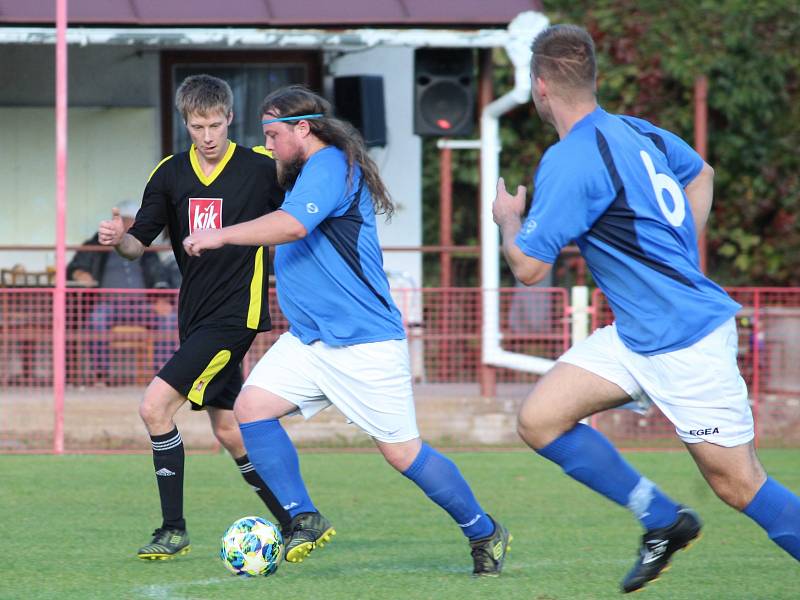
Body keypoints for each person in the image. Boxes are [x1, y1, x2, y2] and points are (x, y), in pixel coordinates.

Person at [492, 24, 800, 593]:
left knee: (739, 485)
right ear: (591, 79)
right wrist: (680, 254)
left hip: (684, 340)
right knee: (540, 420)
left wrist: (509, 218)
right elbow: (701, 175)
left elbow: (530, 270)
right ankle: (663, 520)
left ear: (539, 85)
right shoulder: (640, 132)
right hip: (636, 334)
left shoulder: (569, 159)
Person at [183, 85, 511, 576]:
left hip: (363, 341)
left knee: (402, 453)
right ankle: (302, 516)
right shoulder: (304, 173)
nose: (268, 145)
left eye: (273, 134)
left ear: (303, 128)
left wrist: (222, 235)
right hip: (310, 340)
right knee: (251, 409)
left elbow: (293, 227)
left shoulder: (330, 164)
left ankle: (483, 530)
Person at [97, 74, 291, 560]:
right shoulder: (169, 173)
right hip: (196, 317)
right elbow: (134, 247)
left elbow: (302, 217)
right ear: (186, 122)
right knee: (228, 429)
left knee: (154, 408)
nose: (207, 135)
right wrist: (117, 236)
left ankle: (173, 529)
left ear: (230, 120)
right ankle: (296, 520)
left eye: (216, 125)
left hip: (236, 316)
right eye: (198, 125)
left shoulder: (261, 168)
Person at [68, 200, 175, 382]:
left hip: (142, 306)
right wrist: (79, 273)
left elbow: (158, 274)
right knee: (96, 319)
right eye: (124, 220)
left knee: (170, 318)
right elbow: (76, 266)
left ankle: (162, 372)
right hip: (108, 305)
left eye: (131, 220)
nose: (127, 224)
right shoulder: (97, 242)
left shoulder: (145, 243)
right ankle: (101, 373)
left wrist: (161, 299)